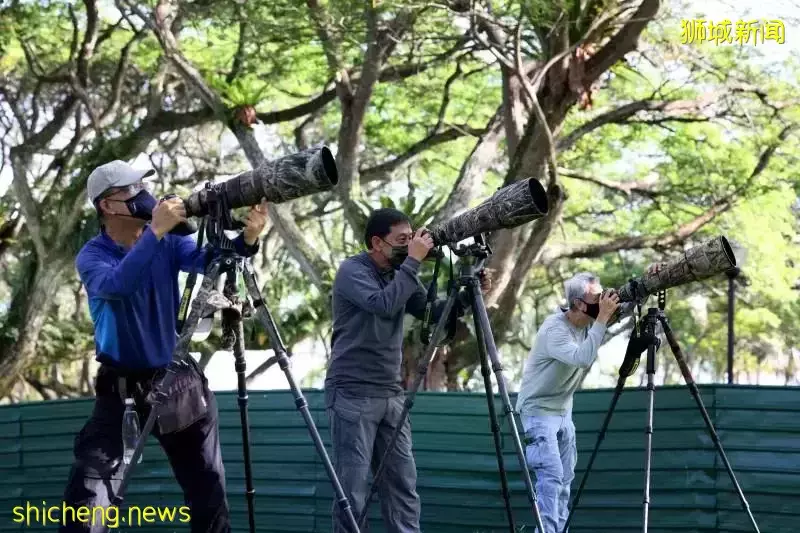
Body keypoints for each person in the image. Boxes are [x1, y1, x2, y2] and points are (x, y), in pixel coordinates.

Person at [60, 160, 268, 533]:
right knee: (88, 498)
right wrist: (156, 229)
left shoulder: (169, 240)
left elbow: (208, 261)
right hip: (120, 391)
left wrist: (247, 241)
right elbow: (118, 285)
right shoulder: (92, 256)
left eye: (143, 185)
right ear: (107, 205)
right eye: (131, 190)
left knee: (208, 493)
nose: (143, 195)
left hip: (175, 381)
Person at [324, 208, 491, 533]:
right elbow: (382, 303)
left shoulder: (401, 275)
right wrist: (413, 260)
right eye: (402, 240)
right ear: (376, 242)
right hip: (352, 392)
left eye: (412, 238)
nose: (411, 245)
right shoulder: (352, 271)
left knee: (402, 486)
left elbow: (433, 314)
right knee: (352, 492)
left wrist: (468, 294)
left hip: (391, 393)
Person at [514, 266, 661, 533]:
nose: (602, 303)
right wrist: (603, 318)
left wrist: (648, 284)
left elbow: (626, 307)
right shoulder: (554, 330)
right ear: (579, 304)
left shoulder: (590, 321)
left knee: (565, 480)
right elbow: (582, 358)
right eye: (596, 299)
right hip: (538, 413)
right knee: (551, 479)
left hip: (563, 412)